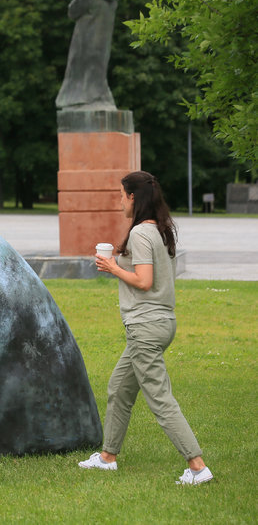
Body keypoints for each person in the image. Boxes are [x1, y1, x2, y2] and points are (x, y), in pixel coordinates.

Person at [79, 171, 213, 485]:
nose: (119, 201)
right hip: (162, 323)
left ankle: (197, 466)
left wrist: (112, 266)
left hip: (145, 327)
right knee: (119, 388)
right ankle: (107, 457)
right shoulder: (161, 229)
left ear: (133, 198)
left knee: (160, 398)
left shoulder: (140, 233)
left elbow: (144, 281)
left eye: (121, 195)